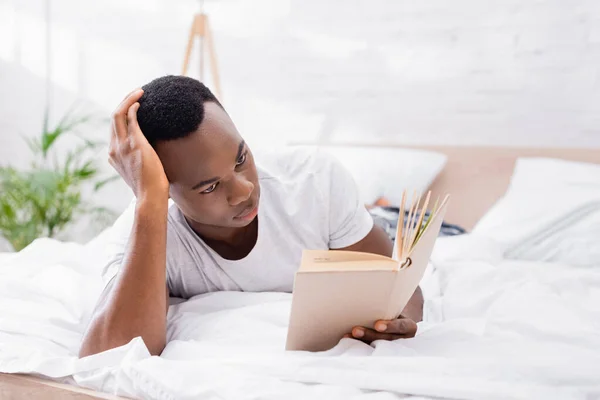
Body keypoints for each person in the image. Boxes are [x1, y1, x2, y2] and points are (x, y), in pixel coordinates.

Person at [78, 75, 423, 357]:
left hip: (370, 217)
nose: (243, 191)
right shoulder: (145, 227)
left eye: (241, 158)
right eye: (210, 187)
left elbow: (403, 289)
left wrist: (399, 321)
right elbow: (108, 355)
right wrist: (149, 200)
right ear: (165, 190)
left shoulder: (314, 182)